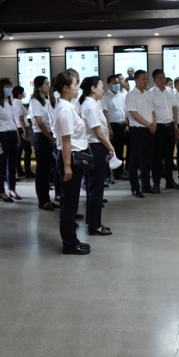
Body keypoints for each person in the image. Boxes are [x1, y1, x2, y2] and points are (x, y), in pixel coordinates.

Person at [53, 71, 91, 255]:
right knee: (69, 204)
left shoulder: (68, 106)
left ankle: (72, 239)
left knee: (72, 202)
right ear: (65, 88)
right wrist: (68, 166)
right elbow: (66, 140)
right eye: (75, 85)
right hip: (70, 158)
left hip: (73, 156)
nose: (77, 88)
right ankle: (69, 243)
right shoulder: (65, 109)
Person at [80, 76, 114, 236]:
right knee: (96, 187)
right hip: (96, 147)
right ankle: (95, 225)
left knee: (94, 187)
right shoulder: (90, 105)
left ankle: (92, 221)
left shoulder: (93, 103)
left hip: (96, 146)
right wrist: (110, 146)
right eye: (101, 87)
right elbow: (98, 132)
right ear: (93, 89)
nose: (103, 90)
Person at [149, 69, 179, 191]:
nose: (162, 80)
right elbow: (150, 111)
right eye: (159, 78)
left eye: (163, 77)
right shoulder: (150, 93)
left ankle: (170, 181)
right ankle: (156, 183)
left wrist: (176, 125)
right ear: (154, 80)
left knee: (169, 156)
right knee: (157, 157)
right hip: (158, 127)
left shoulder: (169, 91)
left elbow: (174, 108)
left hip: (170, 126)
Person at [125, 70, 156, 198]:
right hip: (137, 131)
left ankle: (146, 186)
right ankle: (135, 188)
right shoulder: (131, 95)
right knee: (135, 161)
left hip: (149, 131)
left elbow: (153, 111)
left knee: (147, 161)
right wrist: (149, 124)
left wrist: (154, 124)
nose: (146, 81)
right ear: (136, 80)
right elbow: (134, 114)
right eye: (143, 79)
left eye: (146, 79)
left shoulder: (148, 94)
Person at [0, 78, 21, 202]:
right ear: (0, 88)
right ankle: (0, 191)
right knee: (1, 164)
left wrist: (17, 136)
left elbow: (13, 121)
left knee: (12, 164)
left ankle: (12, 189)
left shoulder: (8, 102)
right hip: (2, 136)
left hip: (12, 134)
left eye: (10, 87)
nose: (9, 89)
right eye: (7, 87)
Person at [29, 76, 56, 211]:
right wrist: (50, 138)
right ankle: (42, 200)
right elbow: (40, 122)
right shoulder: (34, 102)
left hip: (49, 135)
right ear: (39, 87)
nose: (48, 86)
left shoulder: (47, 100)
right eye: (46, 84)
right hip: (41, 136)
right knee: (42, 170)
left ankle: (47, 198)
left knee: (47, 170)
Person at [103, 74, 128, 181]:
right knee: (110, 151)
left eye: (118, 83)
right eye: (115, 83)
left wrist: (126, 124)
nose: (117, 85)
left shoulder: (121, 95)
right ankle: (107, 175)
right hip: (112, 126)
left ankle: (118, 172)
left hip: (122, 125)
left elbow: (124, 110)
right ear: (109, 85)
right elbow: (105, 113)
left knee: (119, 150)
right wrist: (109, 128)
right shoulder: (106, 97)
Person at [12, 86, 34, 178]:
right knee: (28, 150)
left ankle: (19, 170)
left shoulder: (14, 102)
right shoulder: (18, 103)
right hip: (21, 128)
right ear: (19, 93)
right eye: (22, 92)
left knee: (19, 150)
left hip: (18, 127)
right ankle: (27, 171)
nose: (24, 94)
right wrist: (25, 131)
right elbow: (21, 119)